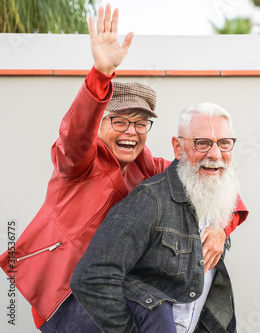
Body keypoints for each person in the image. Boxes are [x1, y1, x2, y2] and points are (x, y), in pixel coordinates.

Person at [0, 5, 247, 332]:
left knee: (160, 306)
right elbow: (74, 134)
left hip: (117, 290)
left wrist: (219, 228)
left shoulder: (154, 169)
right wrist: (100, 74)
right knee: (153, 308)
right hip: (66, 296)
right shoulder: (76, 164)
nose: (131, 131)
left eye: (141, 123)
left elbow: (212, 176)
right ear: (100, 125)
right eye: (119, 121)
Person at [71, 101, 244, 333]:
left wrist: (222, 229)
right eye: (202, 143)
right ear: (178, 147)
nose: (215, 154)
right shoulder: (150, 199)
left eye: (224, 144)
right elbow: (92, 278)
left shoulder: (219, 199)